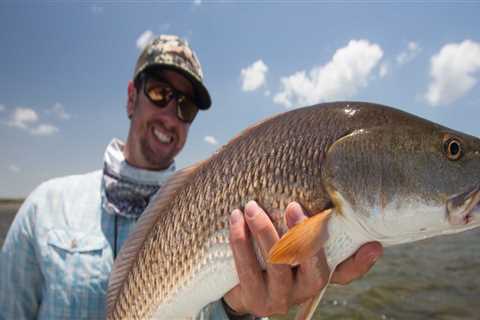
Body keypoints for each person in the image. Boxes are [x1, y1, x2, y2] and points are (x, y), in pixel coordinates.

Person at [0, 35, 382, 320]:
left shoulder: (211, 201)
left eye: (186, 106)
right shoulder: (44, 207)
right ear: (132, 97)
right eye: (158, 92)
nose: (171, 114)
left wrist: (237, 308)